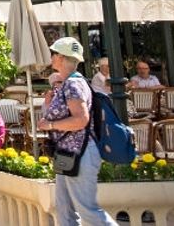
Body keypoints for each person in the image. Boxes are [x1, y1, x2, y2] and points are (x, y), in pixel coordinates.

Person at [41, 37, 117, 226]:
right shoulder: (69, 83)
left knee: (87, 210)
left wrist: (50, 125)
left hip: (80, 153)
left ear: (61, 57)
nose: (51, 57)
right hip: (68, 153)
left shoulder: (73, 84)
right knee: (65, 210)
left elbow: (80, 120)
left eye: (54, 53)